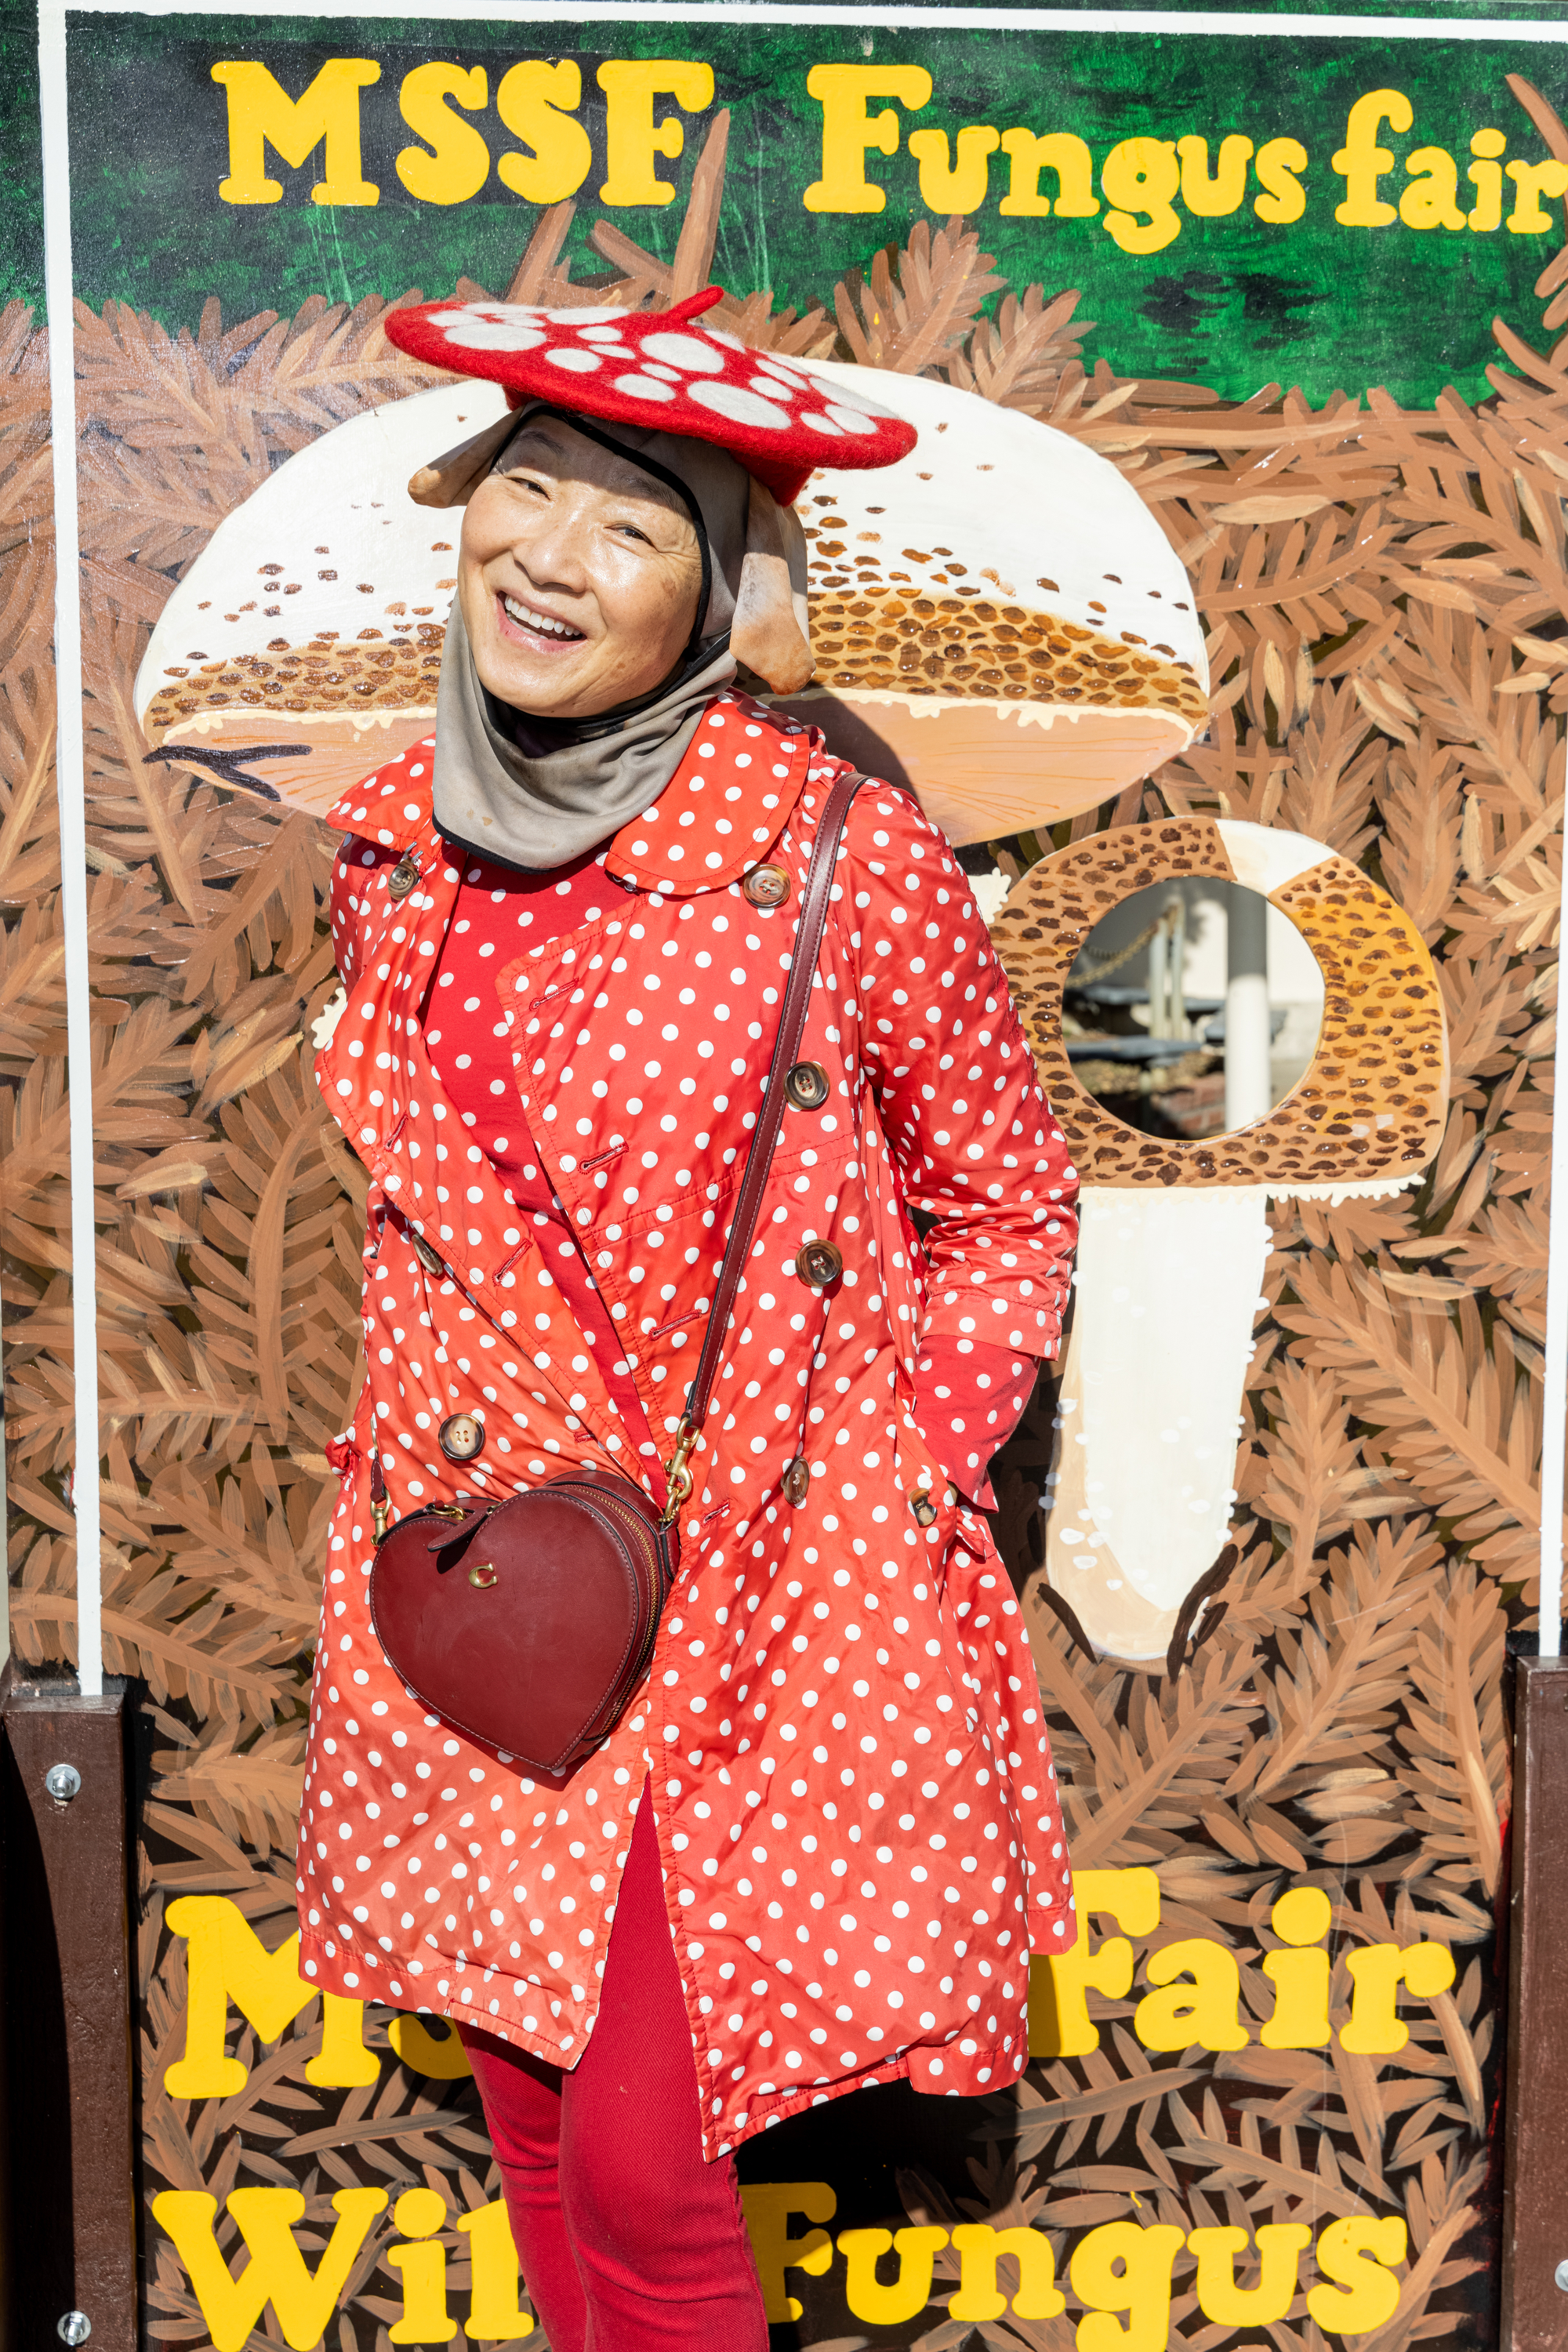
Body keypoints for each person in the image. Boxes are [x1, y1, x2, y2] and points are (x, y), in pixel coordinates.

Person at [299, 289, 1080, 2351]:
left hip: (753, 1586)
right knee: (539, 2123)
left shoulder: (836, 854)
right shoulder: (396, 846)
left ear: (722, 593)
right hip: (485, 1580)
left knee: (650, 2159)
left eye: (628, 527)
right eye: (523, 494)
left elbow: (1006, 1197)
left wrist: (910, 1450)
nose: (548, 557)